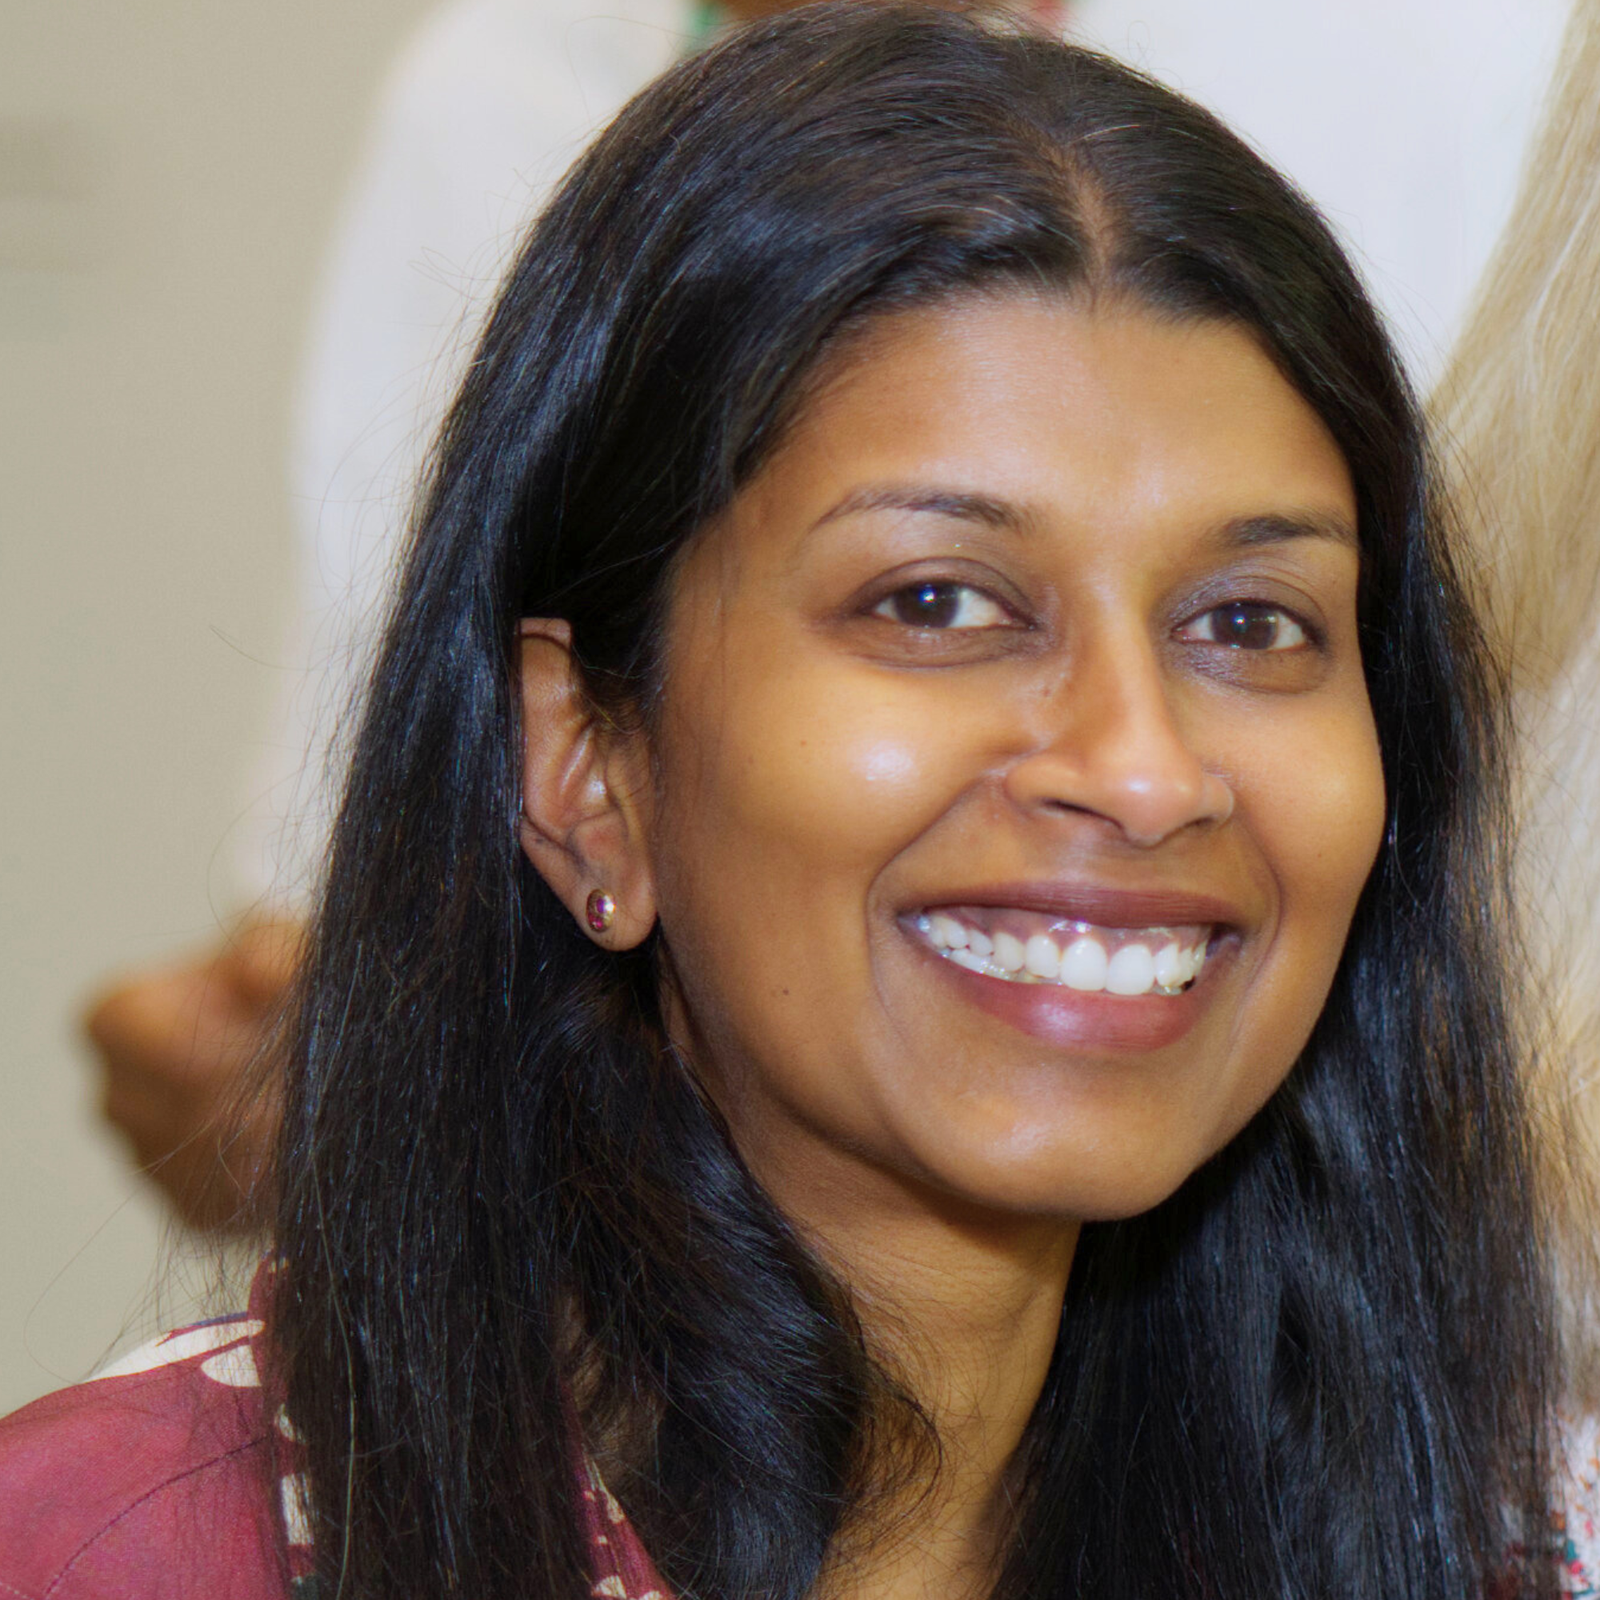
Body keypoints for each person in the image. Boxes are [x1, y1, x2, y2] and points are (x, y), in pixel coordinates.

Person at [6, 8, 1574, 1596]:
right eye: (937, 603)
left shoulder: (1488, 1549)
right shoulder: (119, 1553)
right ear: (584, 763)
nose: (1145, 769)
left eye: (1251, 622)